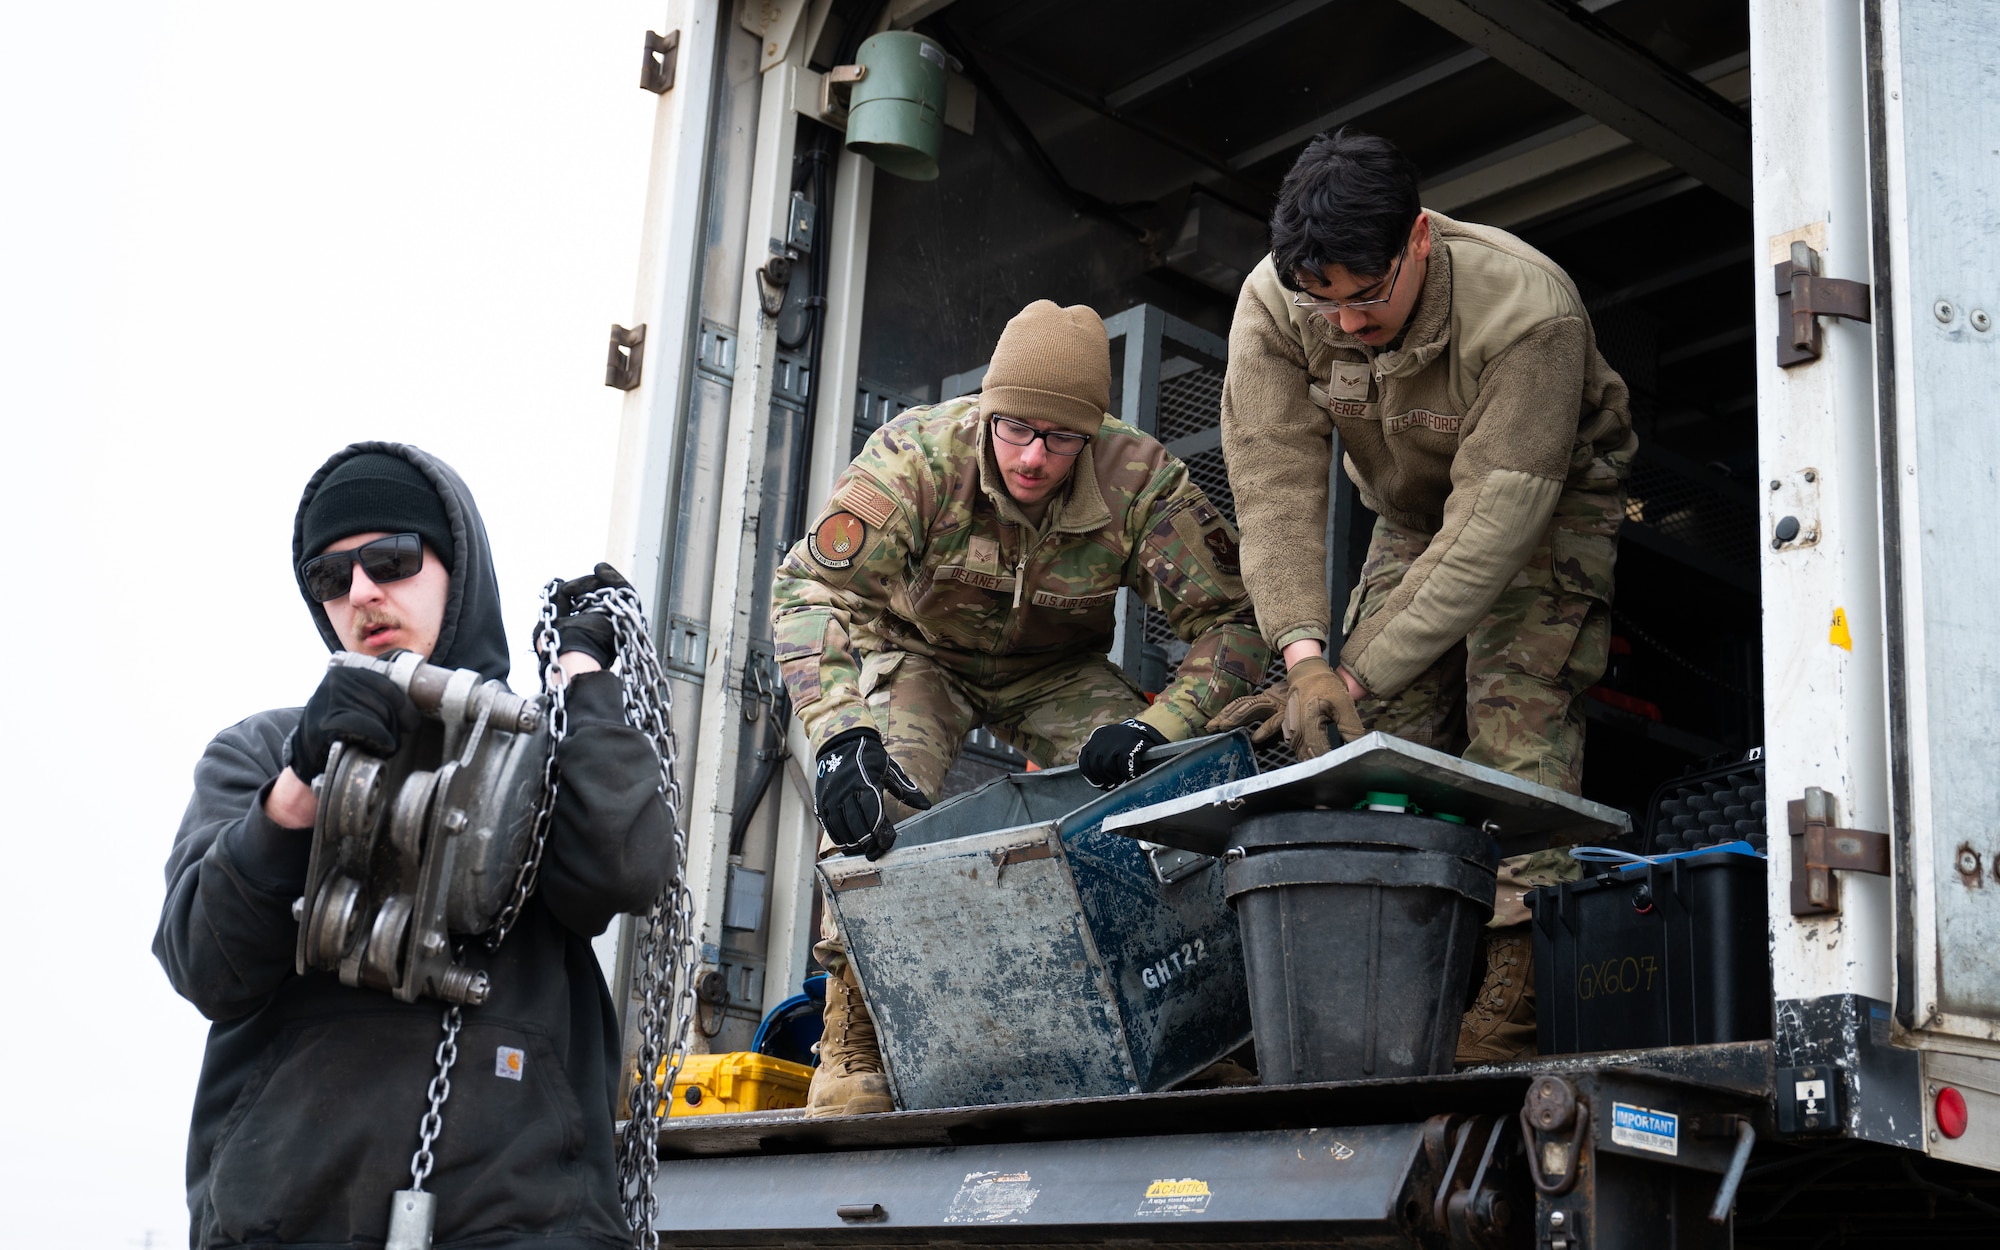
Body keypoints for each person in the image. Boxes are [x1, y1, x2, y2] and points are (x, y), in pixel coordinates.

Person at [154, 443, 675, 1249]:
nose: (361, 592)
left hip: (520, 1221)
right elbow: (204, 962)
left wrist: (582, 681)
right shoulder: (259, 754)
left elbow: (623, 868)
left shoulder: (540, 752)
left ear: (455, 567)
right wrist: (298, 788)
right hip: (287, 1219)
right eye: (331, 579)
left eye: (390, 559)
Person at [771, 299, 1270, 1115]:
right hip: (920, 651)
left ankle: (1192, 1023)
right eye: (1014, 430)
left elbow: (1233, 622)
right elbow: (807, 585)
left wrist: (1158, 728)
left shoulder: (1139, 482)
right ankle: (853, 1032)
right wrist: (835, 732)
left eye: (1061, 438)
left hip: (1057, 669)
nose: (1034, 457)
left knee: (1166, 797)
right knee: (879, 796)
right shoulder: (917, 458)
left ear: (1093, 434)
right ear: (987, 413)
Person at [1210, 129, 1638, 1063]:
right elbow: (1272, 483)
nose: (1348, 324)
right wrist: (1305, 656)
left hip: (1545, 501)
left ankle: (1515, 992)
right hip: (1409, 511)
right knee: (1365, 741)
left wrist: (1352, 673)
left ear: (1418, 243)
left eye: (1367, 298)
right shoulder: (1275, 303)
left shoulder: (1529, 311)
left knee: (1515, 718)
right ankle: (1372, 979)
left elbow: (1494, 525)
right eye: (1326, 305)